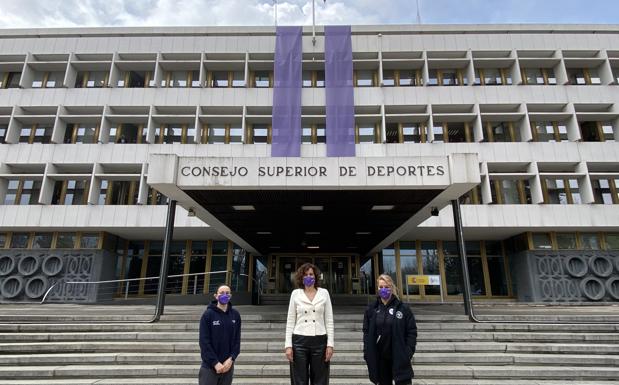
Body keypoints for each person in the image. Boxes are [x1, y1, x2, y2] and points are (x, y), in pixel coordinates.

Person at [285, 262, 334, 385]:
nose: (309, 277)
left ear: (316, 276)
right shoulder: (295, 294)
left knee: (320, 380)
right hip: (299, 341)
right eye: (305, 274)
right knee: (299, 380)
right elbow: (290, 320)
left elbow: (329, 320)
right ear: (301, 277)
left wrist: (330, 345)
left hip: (320, 341)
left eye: (311, 274)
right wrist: (288, 346)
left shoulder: (324, 293)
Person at [363, 274, 417, 385]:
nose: (384, 289)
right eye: (381, 287)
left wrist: (407, 352)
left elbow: (411, 331)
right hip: (381, 359)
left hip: (399, 356)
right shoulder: (371, 310)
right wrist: (367, 352)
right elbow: (367, 333)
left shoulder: (403, 309)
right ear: (377, 288)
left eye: (386, 287)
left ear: (391, 288)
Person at [199, 284, 241, 385]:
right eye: (221, 293)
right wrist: (215, 363)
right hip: (210, 367)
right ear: (216, 296)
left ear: (230, 296)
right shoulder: (208, 315)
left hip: (228, 367)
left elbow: (237, 341)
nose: (224, 295)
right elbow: (204, 342)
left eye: (227, 293)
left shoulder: (235, 315)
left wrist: (231, 359)